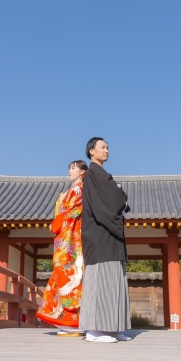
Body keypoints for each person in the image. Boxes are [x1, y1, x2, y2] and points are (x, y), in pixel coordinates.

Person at [79, 137, 132, 343]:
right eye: (103, 147)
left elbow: (116, 197)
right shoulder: (92, 174)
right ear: (92, 151)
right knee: (100, 282)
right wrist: (120, 194)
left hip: (110, 236)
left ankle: (112, 328)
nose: (107, 150)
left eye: (108, 147)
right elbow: (109, 202)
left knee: (114, 282)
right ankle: (93, 330)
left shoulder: (101, 174)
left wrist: (119, 194)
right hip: (100, 235)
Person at [36, 160, 88, 336]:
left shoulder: (79, 190)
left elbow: (71, 212)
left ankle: (73, 322)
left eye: (73, 168)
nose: (69, 171)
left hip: (71, 241)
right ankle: (65, 321)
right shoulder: (70, 191)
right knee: (62, 275)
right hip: (65, 239)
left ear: (83, 172)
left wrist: (55, 223)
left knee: (69, 275)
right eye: (69, 168)